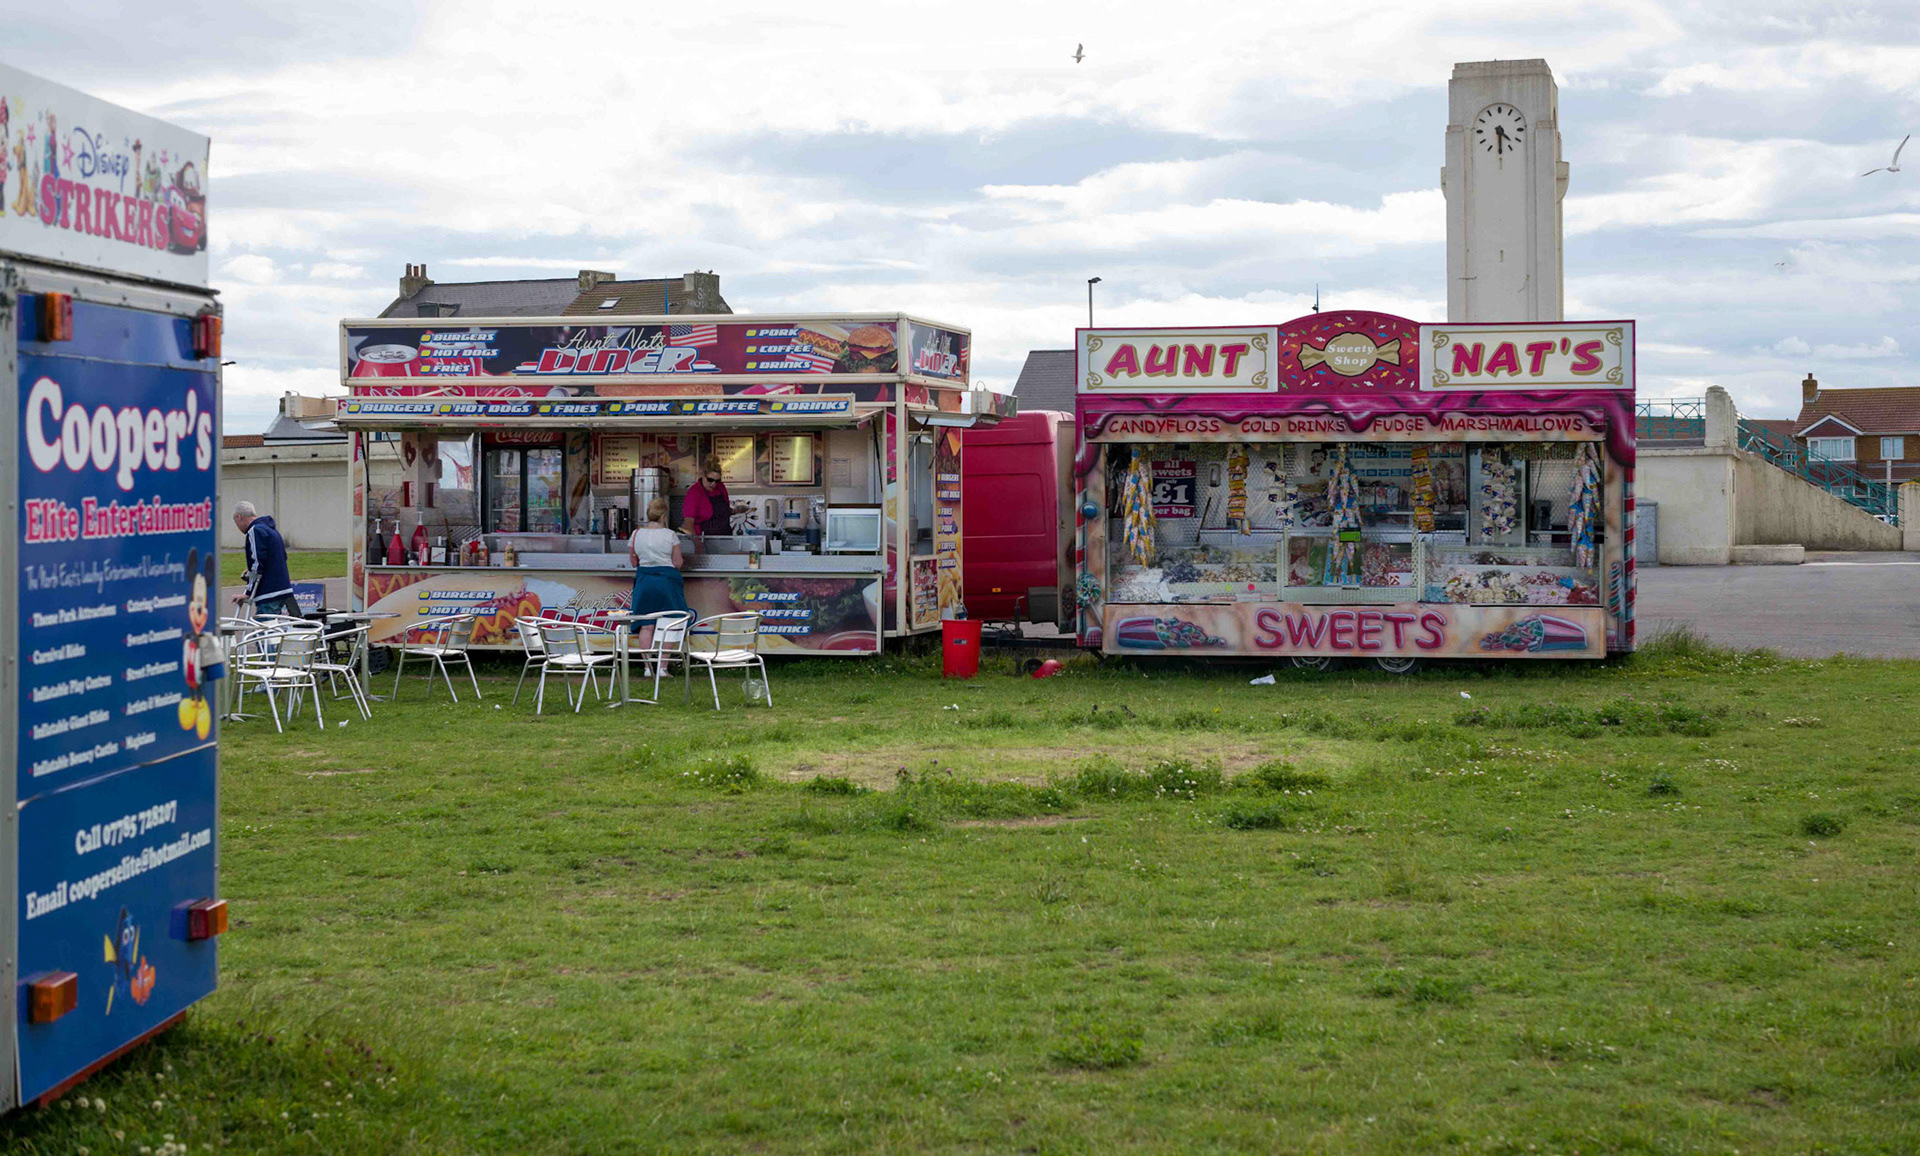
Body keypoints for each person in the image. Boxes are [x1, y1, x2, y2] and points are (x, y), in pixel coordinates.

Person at [232, 501, 298, 617]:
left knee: (263, 631)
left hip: (269, 593)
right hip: (283, 589)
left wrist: (248, 592)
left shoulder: (254, 531)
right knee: (273, 630)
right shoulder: (271, 530)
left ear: (239, 517)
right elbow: (280, 557)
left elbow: (257, 563)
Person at [628, 497, 690, 616]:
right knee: (672, 624)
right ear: (663, 516)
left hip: (644, 583)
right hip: (667, 584)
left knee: (646, 625)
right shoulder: (670, 535)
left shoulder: (636, 534)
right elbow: (677, 563)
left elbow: (634, 562)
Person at [679, 456, 734, 540]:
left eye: (717, 481)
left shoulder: (721, 487)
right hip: (704, 539)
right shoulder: (694, 492)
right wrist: (696, 543)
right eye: (710, 480)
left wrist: (736, 511)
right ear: (703, 476)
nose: (713, 484)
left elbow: (725, 510)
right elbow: (689, 522)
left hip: (725, 537)